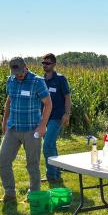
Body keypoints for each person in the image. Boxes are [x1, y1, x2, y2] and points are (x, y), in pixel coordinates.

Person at [0, 57, 52, 202]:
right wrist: (4, 121)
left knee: (32, 164)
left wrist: (42, 126)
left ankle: (34, 194)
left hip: (32, 129)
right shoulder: (11, 80)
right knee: (3, 160)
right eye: (15, 73)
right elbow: (9, 101)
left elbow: (48, 104)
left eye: (20, 72)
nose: (18, 75)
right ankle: (9, 193)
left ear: (25, 67)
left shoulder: (37, 81)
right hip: (13, 128)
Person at [41, 53, 71, 183]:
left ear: (54, 64)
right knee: (51, 144)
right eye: (43, 63)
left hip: (57, 116)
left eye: (47, 63)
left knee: (47, 145)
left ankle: (51, 174)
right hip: (44, 118)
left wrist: (67, 114)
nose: (45, 65)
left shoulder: (60, 79)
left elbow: (67, 98)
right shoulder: (41, 80)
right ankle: (57, 171)